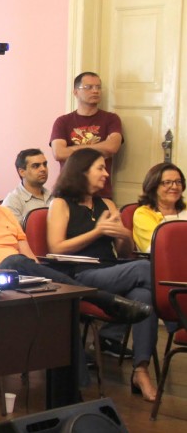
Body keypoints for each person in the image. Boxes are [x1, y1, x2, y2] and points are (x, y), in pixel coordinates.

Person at [0, 151, 148, 320]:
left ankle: (76, 367)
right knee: (14, 262)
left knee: (53, 301)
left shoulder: (4, 212)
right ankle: (100, 298)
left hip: (18, 283)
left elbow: (30, 260)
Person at [46, 148, 159, 401]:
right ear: (82, 171)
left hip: (112, 270)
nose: (106, 173)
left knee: (144, 298)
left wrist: (123, 235)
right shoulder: (60, 204)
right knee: (144, 268)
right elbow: (56, 248)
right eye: (100, 168)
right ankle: (176, 317)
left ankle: (141, 370)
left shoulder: (107, 204)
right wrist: (97, 232)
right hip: (80, 276)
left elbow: (124, 252)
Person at [50, 72, 122, 198]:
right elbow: (59, 153)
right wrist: (101, 147)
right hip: (70, 192)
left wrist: (72, 149)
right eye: (88, 87)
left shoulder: (111, 119)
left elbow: (112, 147)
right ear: (76, 92)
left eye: (98, 87)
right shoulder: (63, 121)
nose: (95, 91)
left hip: (101, 193)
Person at [133, 162, 187, 253]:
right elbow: (158, 247)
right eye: (167, 182)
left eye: (178, 182)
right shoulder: (143, 214)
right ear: (154, 186)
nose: (174, 187)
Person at [1, 148, 53, 225]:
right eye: (36, 166)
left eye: (45, 164)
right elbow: (14, 232)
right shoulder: (12, 202)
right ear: (22, 172)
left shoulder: (54, 196)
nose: (43, 169)